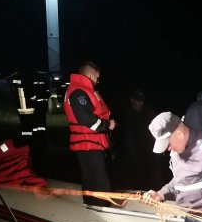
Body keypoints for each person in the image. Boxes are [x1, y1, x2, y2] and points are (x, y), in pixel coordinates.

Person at [63, 61, 116, 206]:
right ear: (91, 75)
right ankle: (101, 211)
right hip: (87, 144)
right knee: (98, 181)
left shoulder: (83, 90)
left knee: (93, 178)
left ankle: (93, 206)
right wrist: (107, 125)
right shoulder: (78, 92)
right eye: (97, 78)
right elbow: (86, 119)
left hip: (92, 143)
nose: (97, 81)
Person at [112, 88, 161, 190]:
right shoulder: (124, 114)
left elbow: (158, 130)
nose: (141, 102)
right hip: (130, 155)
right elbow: (120, 135)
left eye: (142, 100)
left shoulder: (149, 112)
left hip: (149, 153)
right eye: (138, 100)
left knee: (151, 180)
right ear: (132, 100)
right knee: (131, 180)